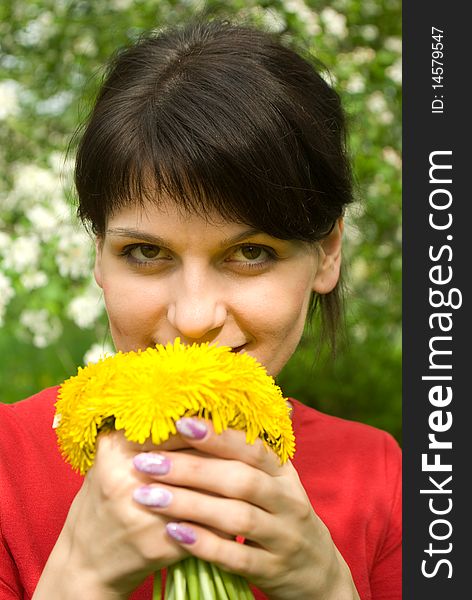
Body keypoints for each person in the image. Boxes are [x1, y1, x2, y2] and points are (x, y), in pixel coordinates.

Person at [0, 19, 401, 600]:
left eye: (250, 253)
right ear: (99, 255)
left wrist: (330, 589)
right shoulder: (8, 465)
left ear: (327, 254)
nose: (193, 317)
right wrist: (76, 581)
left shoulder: (379, 474)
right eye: (145, 252)